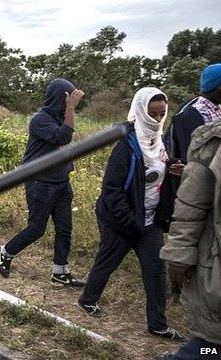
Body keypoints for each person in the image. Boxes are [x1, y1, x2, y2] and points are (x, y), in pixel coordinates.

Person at [77, 88, 185, 341]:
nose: (157, 119)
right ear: (140, 112)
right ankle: (87, 299)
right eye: (152, 114)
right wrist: (129, 222)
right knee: (107, 262)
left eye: (161, 114)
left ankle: (158, 325)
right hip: (122, 220)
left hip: (150, 220)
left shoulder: (161, 141)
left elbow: (155, 175)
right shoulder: (126, 144)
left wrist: (174, 170)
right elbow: (111, 190)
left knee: (156, 270)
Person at [0, 78, 86, 286]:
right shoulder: (40, 119)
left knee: (64, 228)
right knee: (37, 228)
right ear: (60, 97)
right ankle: (6, 251)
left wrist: (69, 111)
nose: (72, 102)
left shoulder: (59, 117)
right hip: (40, 182)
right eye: (69, 98)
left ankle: (60, 272)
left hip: (61, 182)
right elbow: (63, 138)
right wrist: (71, 110)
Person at [157, 76, 221, 359]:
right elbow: (190, 209)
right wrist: (179, 258)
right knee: (208, 350)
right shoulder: (211, 139)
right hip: (214, 266)